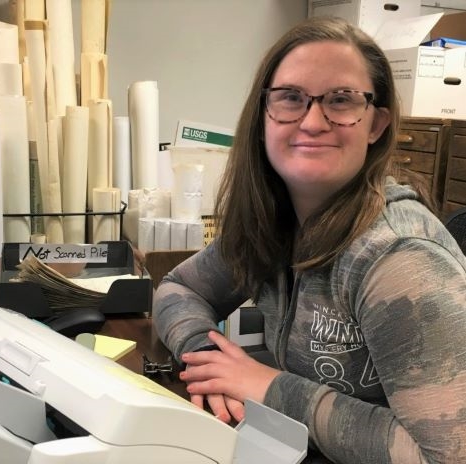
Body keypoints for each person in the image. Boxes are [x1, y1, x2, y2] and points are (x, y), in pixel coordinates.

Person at [152, 15, 466, 464]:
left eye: (341, 100)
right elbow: (179, 288)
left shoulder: (400, 260)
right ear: (263, 116)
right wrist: (206, 358)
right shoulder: (274, 222)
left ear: (376, 124)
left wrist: (267, 386)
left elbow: (448, 456)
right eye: (290, 98)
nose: (313, 121)